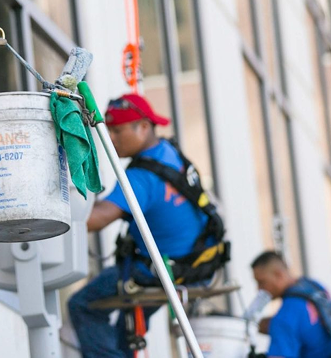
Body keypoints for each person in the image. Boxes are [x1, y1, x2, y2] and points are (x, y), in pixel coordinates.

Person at [68, 94, 227, 358]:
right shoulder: (168, 152)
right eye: (109, 131)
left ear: (143, 127)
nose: (111, 139)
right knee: (124, 328)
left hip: (163, 271)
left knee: (83, 305)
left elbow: (95, 220)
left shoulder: (141, 177)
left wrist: (54, 206)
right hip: (201, 263)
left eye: (117, 131)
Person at [251, 251, 331, 358]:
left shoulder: (283, 318)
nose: (259, 289)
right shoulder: (315, 287)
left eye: (261, 282)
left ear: (279, 275)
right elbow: (308, 325)